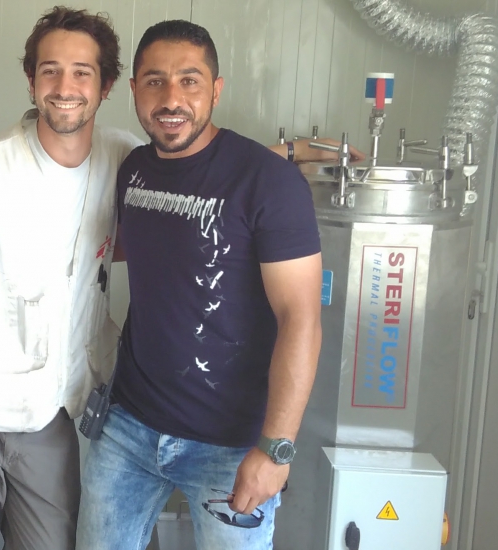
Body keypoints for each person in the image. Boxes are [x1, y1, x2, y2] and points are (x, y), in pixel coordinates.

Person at [77, 20, 325, 550]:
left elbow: (300, 317)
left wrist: (276, 448)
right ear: (134, 90)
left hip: (231, 446)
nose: (171, 98)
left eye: (190, 81)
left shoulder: (268, 182)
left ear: (215, 89)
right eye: (154, 81)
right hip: (127, 428)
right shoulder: (134, 171)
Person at [0, 7, 141, 549]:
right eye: (50, 70)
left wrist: (294, 154)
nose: (65, 87)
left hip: (49, 411)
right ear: (31, 79)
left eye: (82, 72)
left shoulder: (123, 159)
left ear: (106, 85)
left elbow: (207, 169)